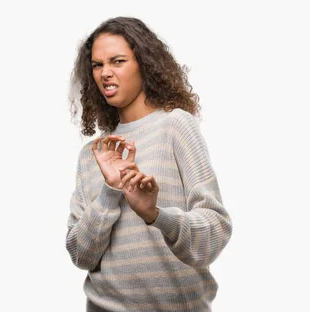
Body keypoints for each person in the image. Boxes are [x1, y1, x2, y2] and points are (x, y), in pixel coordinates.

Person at [65, 16, 232, 312]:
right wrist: (109, 191)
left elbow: (215, 231)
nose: (105, 73)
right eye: (97, 65)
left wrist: (155, 215)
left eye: (117, 61)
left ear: (144, 64)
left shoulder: (175, 126)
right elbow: (81, 255)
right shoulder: (93, 154)